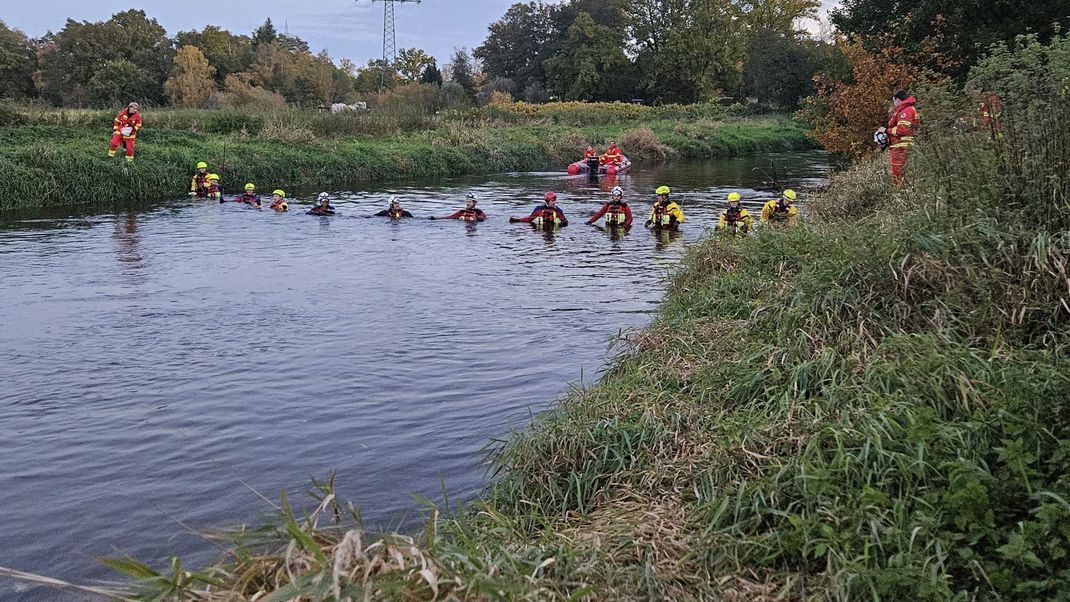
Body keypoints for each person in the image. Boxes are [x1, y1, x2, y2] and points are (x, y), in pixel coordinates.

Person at [875, 90, 918, 186]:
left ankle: (900, 194)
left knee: (898, 174)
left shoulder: (906, 111)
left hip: (900, 148)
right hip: (901, 147)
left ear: (898, 100)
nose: (894, 104)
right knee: (902, 174)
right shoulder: (907, 109)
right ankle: (904, 193)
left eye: (894, 101)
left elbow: (902, 130)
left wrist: (887, 131)